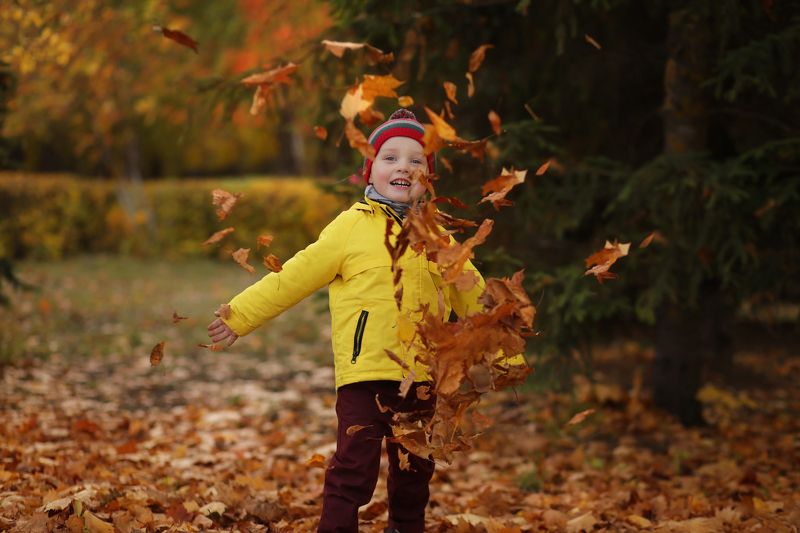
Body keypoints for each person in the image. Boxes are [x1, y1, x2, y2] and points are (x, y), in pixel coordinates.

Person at [207, 109, 488, 533]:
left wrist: (505, 352)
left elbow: (475, 297)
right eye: (390, 157)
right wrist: (240, 315)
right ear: (369, 170)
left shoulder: (439, 237)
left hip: (423, 375)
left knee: (414, 473)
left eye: (416, 161)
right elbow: (294, 276)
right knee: (353, 471)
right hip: (365, 375)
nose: (403, 167)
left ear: (428, 177)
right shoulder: (350, 228)